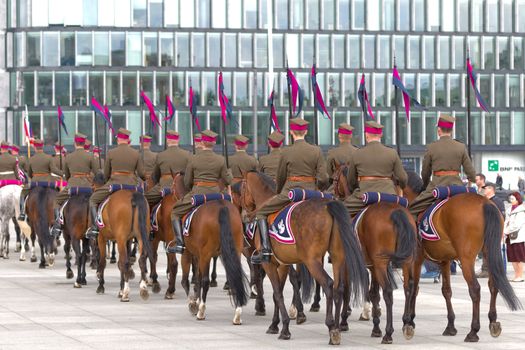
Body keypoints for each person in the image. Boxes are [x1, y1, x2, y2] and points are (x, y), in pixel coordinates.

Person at [253, 118, 328, 264]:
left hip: (290, 192)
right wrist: (317, 189)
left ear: (291, 132)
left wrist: (280, 192)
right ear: (306, 131)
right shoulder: (316, 151)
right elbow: (324, 177)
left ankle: (266, 250)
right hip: (311, 192)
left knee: (261, 212)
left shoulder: (286, 151)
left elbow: (280, 176)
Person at [170, 129, 233, 254]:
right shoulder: (220, 159)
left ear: (202, 142)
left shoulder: (193, 158)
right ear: (213, 143)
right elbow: (227, 180)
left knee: (175, 212)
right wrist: (229, 172)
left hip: (198, 194)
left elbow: (187, 182)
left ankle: (180, 243)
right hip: (216, 195)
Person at [409, 115, 476, 220]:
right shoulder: (460, 147)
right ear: (452, 131)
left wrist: (426, 185)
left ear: (439, 130)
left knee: (412, 208)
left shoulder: (432, 147)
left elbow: (425, 171)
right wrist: (471, 179)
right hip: (457, 187)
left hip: (437, 186)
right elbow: (470, 171)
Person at [86, 128, 145, 238]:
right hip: (133, 185)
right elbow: (141, 173)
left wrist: (107, 181)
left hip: (114, 184)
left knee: (93, 199)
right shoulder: (136, 153)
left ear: (118, 139)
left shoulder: (111, 153)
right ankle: (147, 227)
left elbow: (107, 173)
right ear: (128, 140)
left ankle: (94, 227)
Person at [344, 120, 407, 217]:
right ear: (380, 135)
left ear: (366, 135)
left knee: (341, 211)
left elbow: (351, 181)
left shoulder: (357, 153)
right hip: (389, 195)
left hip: (364, 195)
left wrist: (356, 189)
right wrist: (399, 187)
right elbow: (403, 178)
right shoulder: (392, 153)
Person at [50, 133, 98, 237]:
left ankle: (57, 225)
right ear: (84, 143)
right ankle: (95, 225)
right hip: (87, 187)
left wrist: (71, 180)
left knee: (57, 201)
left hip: (72, 187)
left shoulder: (69, 157)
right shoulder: (90, 157)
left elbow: (66, 175)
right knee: (97, 201)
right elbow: (96, 172)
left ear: (75, 143)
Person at [17, 139, 63, 221]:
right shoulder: (49, 158)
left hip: (35, 183)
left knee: (23, 192)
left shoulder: (31, 159)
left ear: (35, 147)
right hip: (48, 183)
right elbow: (54, 170)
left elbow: (30, 173)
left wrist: (34, 177)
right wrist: (62, 174)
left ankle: (22, 212)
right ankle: (59, 214)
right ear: (42, 146)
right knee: (58, 193)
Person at [145, 130, 190, 208]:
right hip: (182, 188)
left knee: (145, 198)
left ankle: (149, 219)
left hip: (163, 187)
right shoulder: (187, 154)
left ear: (167, 140)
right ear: (178, 140)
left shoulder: (160, 155)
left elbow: (156, 176)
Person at [475, 182, 506, 278]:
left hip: (493, 229)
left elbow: (502, 216)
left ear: (491, 189)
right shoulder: (484, 200)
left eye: (486, 188)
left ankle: (494, 270)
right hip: (484, 228)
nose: (484, 190)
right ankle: (485, 269)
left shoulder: (497, 201)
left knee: (492, 250)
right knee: (484, 250)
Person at [504, 192, 525, 282]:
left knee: (519, 257)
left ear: (518, 199)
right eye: (510, 199)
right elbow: (506, 221)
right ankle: (516, 275)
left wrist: (506, 231)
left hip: (518, 237)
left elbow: (517, 224)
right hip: (510, 237)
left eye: (513, 199)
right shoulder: (509, 210)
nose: (511, 201)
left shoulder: (521, 210)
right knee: (512, 257)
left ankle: (520, 275)